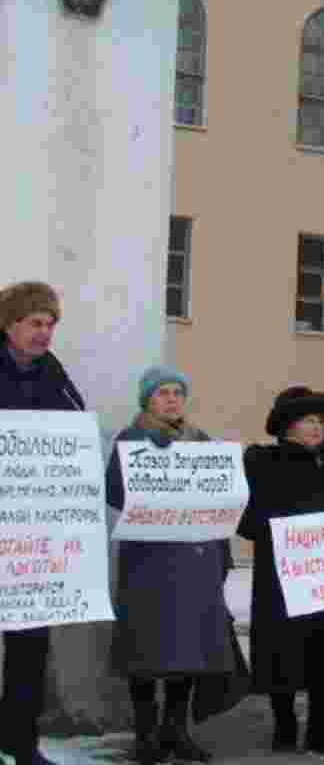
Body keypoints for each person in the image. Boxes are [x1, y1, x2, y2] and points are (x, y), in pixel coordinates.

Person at [106, 366, 235, 764]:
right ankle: (145, 734)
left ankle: (175, 730)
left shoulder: (200, 441)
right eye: (162, 392)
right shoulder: (130, 440)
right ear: (147, 399)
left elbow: (222, 492)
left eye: (177, 392)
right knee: (145, 646)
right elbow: (114, 491)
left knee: (189, 647)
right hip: (149, 560)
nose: (171, 398)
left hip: (196, 561)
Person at [238, 387, 324, 754]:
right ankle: (284, 724)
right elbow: (246, 520)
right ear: (287, 427)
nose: (318, 427)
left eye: (320, 420)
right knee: (281, 652)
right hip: (280, 576)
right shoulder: (263, 463)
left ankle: (320, 727)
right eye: (308, 420)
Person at [0, 282, 85, 765]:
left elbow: (72, 435)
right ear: (9, 324)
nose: (44, 332)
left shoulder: (55, 375)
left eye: (50, 323)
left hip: (34, 536)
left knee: (30, 645)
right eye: (35, 322)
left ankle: (20, 740)